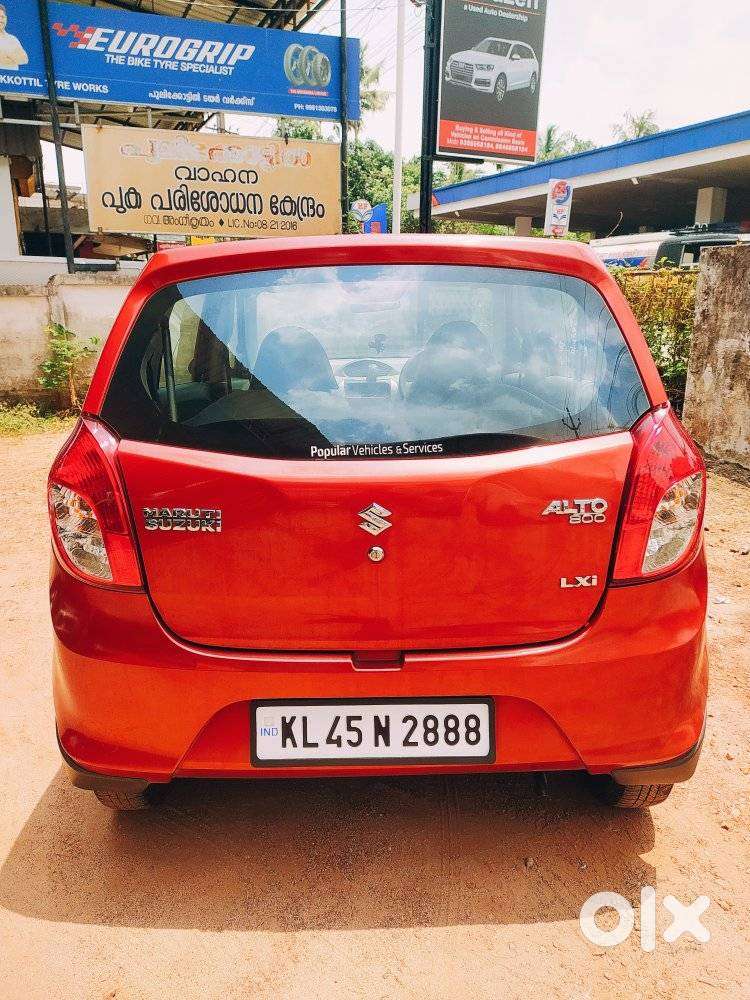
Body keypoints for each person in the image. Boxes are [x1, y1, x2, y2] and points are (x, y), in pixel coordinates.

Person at [0, 6, 29, 71]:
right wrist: (12, 57)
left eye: (2, 17)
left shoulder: (12, 39)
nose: (1, 20)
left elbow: (24, 59)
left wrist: (5, 55)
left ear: (6, 18)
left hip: (11, 79)